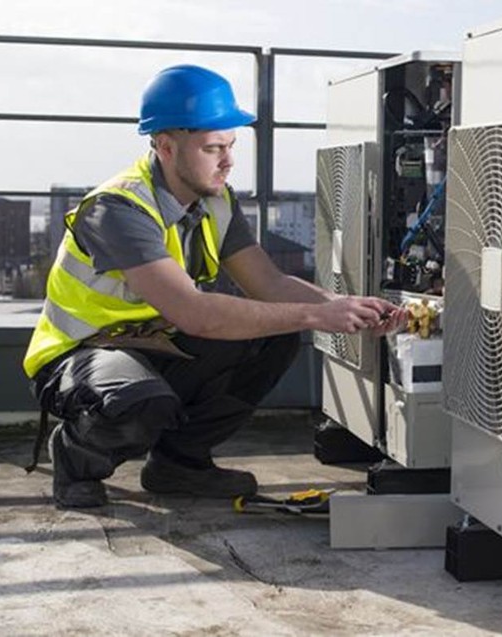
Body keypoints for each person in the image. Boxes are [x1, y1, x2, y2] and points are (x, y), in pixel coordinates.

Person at [22, 64, 405, 509]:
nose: (228, 160)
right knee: (141, 403)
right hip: (82, 355)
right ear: (165, 146)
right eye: (213, 148)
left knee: (274, 336)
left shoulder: (216, 201)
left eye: (231, 146)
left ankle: (179, 464)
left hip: (155, 346)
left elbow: (269, 283)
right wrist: (320, 315)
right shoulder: (118, 209)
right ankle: (76, 457)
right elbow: (195, 313)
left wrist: (346, 306)